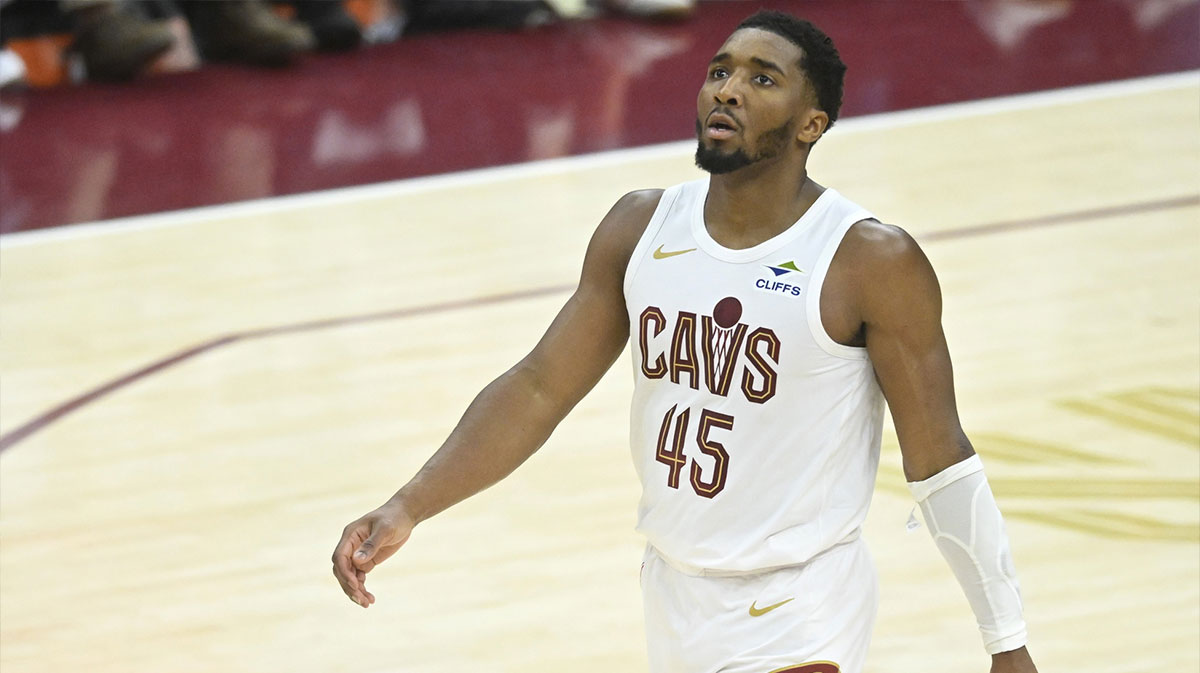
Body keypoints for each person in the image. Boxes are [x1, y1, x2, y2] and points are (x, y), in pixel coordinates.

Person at [331, 10, 1040, 673]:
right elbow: (540, 387)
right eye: (719, 70)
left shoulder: (866, 260)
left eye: (763, 79)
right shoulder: (642, 228)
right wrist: (408, 504)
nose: (728, 90)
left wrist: (1006, 640)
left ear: (810, 124)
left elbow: (940, 459)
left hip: (800, 605)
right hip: (673, 592)